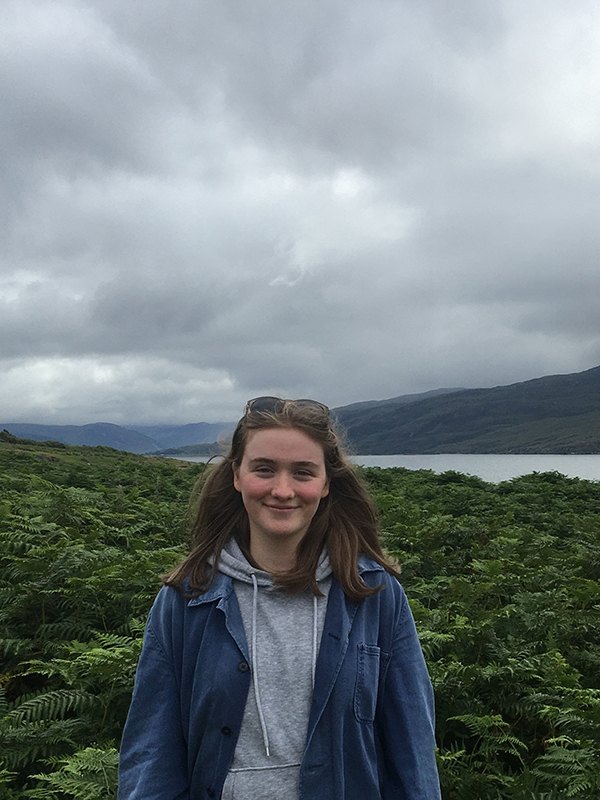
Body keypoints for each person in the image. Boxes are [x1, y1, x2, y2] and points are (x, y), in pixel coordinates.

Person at [118, 397, 441, 800]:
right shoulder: (186, 599)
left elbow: (411, 748)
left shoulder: (373, 592)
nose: (283, 490)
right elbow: (152, 754)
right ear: (237, 475)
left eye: (302, 472)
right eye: (264, 469)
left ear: (326, 484)